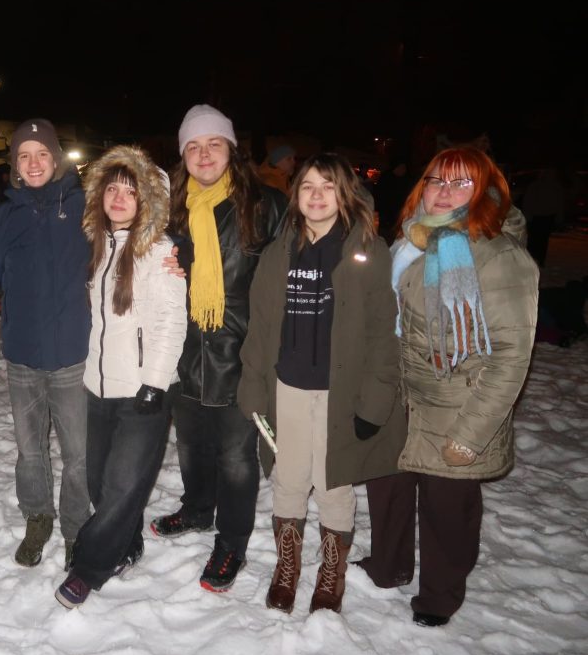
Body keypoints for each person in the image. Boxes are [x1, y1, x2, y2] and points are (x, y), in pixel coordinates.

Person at [355, 147, 539, 627]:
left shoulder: (498, 255)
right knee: (387, 486)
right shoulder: (410, 239)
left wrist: (472, 433)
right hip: (400, 391)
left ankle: (440, 595)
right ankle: (388, 565)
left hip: (457, 402)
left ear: (485, 193)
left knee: (446, 508)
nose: (445, 191)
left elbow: (511, 354)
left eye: (461, 183)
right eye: (437, 180)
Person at [237, 153, 404, 614]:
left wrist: (375, 400)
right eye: (308, 186)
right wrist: (252, 384)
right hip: (287, 388)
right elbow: (260, 327)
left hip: (340, 393)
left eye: (328, 186)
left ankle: (332, 573)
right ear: (296, 194)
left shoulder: (367, 250)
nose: (317, 195)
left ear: (344, 194)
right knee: (288, 478)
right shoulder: (278, 252)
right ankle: (287, 566)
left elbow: (382, 332)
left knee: (334, 484)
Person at [151, 104, 286, 593]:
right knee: (191, 445)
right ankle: (196, 509)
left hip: (241, 353)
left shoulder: (265, 205)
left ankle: (232, 543)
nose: (204, 154)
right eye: (193, 146)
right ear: (182, 154)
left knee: (235, 456)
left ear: (231, 149)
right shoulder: (169, 208)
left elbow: (283, 283)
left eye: (213, 144)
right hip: (183, 351)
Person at [54, 145, 187, 608]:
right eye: (112, 188)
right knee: (98, 481)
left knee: (123, 485)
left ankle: (89, 568)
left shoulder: (160, 252)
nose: (118, 197)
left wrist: (155, 383)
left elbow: (171, 322)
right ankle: (127, 542)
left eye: (130, 191)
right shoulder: (97, 247)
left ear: (146, 201)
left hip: (142, 390)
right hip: (99, 385)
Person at [0, 119, 92, 569]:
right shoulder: (3, 216)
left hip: (72, 355)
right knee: (30, 452)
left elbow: (130, 238)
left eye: (41, 154)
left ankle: (76, 528)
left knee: (78, 454)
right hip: (23, 355)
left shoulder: (85, 207)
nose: (33, 163)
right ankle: (37, 517)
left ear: (56, 159)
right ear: (14, 164)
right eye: (24, 156)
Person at [521, 165, 566, 266]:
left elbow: (559, 204)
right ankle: (532, 260)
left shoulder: (556, 187)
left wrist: (559, 217)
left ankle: (539, 260)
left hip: (547, 217)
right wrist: (528, 215)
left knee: (542, 240)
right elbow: (528, 201)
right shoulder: (536, 186)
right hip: (536, 217)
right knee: (534, 240)